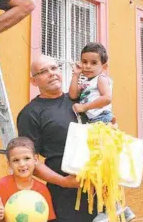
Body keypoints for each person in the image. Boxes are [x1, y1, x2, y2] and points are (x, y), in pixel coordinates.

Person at [17, 55, 96, 222]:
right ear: (34, 81)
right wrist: (64, 182)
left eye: (54, 68)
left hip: (100, 192)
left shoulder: (81, 100)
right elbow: (30, 160)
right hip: (65, 198)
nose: (51, 73)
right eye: (43, 71)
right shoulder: (30, 113)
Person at [68, 43, 135, 222]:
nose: (88, 66)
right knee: (98, 170)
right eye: (84, 62)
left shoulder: (101, 79)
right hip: (93, 125)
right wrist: (75, 74)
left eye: (93, 62)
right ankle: (119, 209)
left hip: (102, 123)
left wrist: (85, 106)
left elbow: (107, 98)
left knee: (102, 169)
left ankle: (113, 208)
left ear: (103, 66)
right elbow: (73, 95)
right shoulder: (86, 82)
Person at [0, 136, 56, 222]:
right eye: (16, 160)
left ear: (35, 159)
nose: (22, 164)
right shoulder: (1, 186)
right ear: (9, 164)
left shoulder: (42, 190)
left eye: (27, 158)